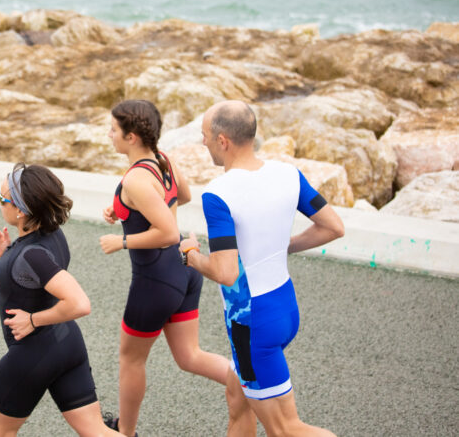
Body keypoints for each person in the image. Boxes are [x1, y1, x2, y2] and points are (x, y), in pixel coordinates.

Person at [179, 100, 344, 437]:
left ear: (222, 141)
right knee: (237, 400)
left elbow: (226, 273)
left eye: (205, 136)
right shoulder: (288, 174)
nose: (204, 143)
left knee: (286, 429)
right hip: (284, 307)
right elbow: (333, 227)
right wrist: (283, 246)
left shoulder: (218, 195)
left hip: (253, 325)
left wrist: (192, 256)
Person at [99, 100, 230, 437]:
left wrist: (122, 241)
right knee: (189, 356)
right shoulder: (163, 160)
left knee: (130, 359)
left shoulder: (135, 181)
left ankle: (124, 432)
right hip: (184, 270)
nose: (108, 134)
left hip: (155, 280)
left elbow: (167, 232)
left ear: (131, 137)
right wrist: (127, 212)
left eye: (113, 129)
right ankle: (247, 382)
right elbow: (181, 196)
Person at [0, 162, 124, 437]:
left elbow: (80, 303)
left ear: (21, 210)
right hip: (66, 344)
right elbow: (38, 279)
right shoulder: (51, 234)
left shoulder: (31, 256)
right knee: (97, 431)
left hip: (32, 355)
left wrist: (33, 320)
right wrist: (8, 253)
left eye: (2, 199)